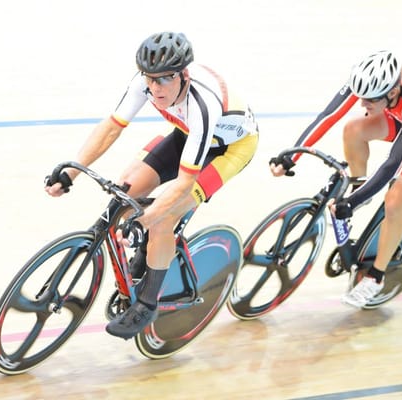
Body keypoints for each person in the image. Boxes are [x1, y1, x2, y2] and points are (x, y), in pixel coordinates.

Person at [45, 31, 259, 338]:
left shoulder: (203, 105)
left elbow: (186, 181)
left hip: (229, 149)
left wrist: (146, 219)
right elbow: (111, 128)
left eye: (163, 80)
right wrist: (73, 172)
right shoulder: (144, 84)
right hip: (187, 136)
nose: (154, 87)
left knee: (162, 219)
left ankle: (147, 304)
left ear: (184, 75)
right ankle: (145, 252)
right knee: (124, 189)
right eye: (149, 78)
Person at [269, 50, 402, 307]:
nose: (362, 104)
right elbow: (328, 117)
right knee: (353, 129)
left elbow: (393, 163)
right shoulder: (370, 82)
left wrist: (350, 202)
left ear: (392, 92)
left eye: (370, 100)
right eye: (360, 96)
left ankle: (376, 278)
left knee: (395, 202)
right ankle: (360, 187)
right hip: (401, 118)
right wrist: (291, 157)